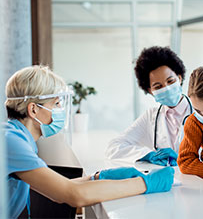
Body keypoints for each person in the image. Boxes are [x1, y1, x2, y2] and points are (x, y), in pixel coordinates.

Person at [5, 65, 174, 218]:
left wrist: (98, 177)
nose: (60, 110)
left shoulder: (16, 138)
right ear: (33, 109)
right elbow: (73, 195)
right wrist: (146, 183)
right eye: (56, 103)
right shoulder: (12, 143)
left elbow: (55, 188)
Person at [106, 46, 193, 166]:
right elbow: (114, 147)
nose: (166, 88)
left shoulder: (202, 111)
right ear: (150, 91)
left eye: (170, 81)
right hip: (169, 181)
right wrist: (148, 154)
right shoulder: (151, 116)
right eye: (158, 86)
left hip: (202, 181)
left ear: (179, 78)